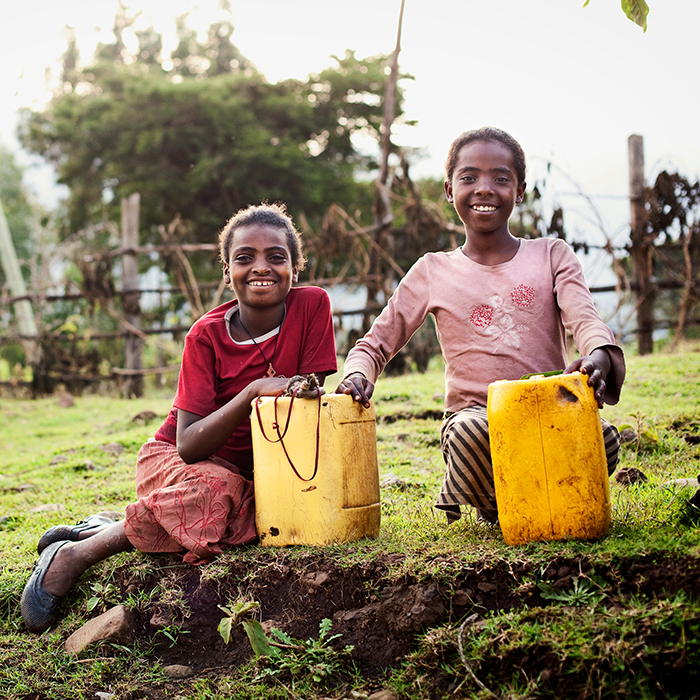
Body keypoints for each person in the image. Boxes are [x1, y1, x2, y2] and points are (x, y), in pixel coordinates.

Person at [21, 202, 338, 633]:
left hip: (259, 473)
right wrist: (249, 393)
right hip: (175, 461)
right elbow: (189, 446)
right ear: (227, 272)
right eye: (244, 258)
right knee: (215, 490)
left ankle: (112, 524)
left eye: (276, 257)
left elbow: (305, 401)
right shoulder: (205, 336)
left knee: (263, 523)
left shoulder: (312, 307)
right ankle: (77, 554)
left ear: (296, 269)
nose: (260, 267)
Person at [337, 126, 625, 526]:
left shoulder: (551, 255)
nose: (485, 189)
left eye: (500, 178)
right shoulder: (432, 271)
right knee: (470, 435)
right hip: (477, 416)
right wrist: (356, 375)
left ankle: (527, 489)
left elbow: (585, 318)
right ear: (449, 190)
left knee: (605, 438)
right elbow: (375, 344)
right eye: (469, 177)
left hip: (548, 408)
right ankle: (504, 497)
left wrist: (596, 354)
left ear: (520, 190)